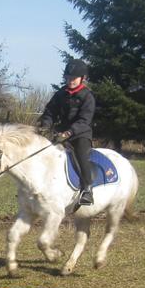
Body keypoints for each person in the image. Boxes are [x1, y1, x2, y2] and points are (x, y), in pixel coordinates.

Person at [37, 58, 96, 205]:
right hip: (60, 134)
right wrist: (45, 125)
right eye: (68, 77)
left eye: (73, 78)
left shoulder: (88, 96)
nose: (70, 80)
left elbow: (84, 120)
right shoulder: (60, 94)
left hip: (80, 135)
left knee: (81, 156)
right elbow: (50, 111)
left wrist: (69, 132)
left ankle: (87, 189)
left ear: (83, 78)